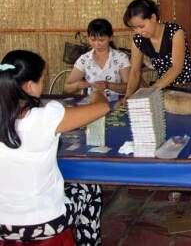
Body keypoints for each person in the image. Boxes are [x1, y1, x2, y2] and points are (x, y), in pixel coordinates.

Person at [0, 50, 110, 245]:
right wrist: (99, 94)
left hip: (2, 224)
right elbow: (102, 108)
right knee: (91, 189)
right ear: (29, 86)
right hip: (44, 222)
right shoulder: (47, 117)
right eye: (42, 80)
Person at [118, 0, 191, 103]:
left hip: (190, 85)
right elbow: (135, 72)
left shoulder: (175, 32)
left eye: (141, 26)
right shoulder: (138, 41)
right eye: (135, 28)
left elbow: (176, 68)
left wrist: (151, 90)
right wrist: (128, 97)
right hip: (165, 87)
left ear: (153, 17)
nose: (139, 31)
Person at [64, 18, 131, 97]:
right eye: (93, 40)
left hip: (117, 103)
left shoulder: (121, 58)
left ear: (110, 38)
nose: (97, 44)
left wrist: (108, 85)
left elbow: (129, 87)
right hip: (93, 104)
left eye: (101, 40)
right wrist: (76, 85)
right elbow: (66, 87)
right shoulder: (84, 59)